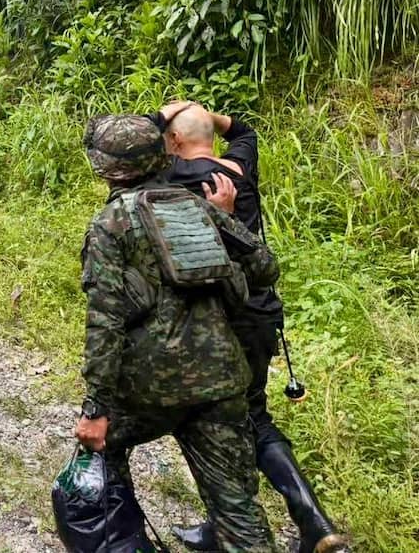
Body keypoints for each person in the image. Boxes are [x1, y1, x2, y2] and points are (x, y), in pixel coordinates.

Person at [75, 112, 281, 552]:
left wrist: (96, 408)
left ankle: (125, 541)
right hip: (221, 383)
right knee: (238, 512)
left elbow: (105, 321)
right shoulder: (200, 208)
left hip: (151, 390)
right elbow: (265, 268)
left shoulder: (110, 225)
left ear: (106, 169)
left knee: (99, 461)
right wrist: (222, 225)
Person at [158, 102, 345, 553]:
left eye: (168, 136)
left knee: (212, 422)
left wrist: (172, 114)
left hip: (222, 318)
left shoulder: (176, 175)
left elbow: (137, 139)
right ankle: (314, 526)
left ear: (175, 140)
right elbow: (244, 131)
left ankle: (240, 526)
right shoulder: (238, 166)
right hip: (261, 313)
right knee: (251, 415)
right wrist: (204, 115)